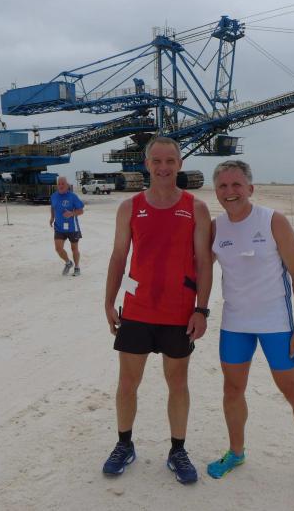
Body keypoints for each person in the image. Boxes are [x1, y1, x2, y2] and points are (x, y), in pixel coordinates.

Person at [206, 160, 294, 499]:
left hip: (276, 322)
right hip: (235, 323)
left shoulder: (273, 221)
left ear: (250, 188)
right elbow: (197, 267)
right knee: (232, 389)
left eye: (236, 185)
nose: (230, 192)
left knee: (293, 390)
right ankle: (236, 452)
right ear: (216, 192)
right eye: (223, 186)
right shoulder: (216, 228)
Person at [102, 136, 212, 484]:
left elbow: (204, 262)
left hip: (178, 312)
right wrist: (108, 302)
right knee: (127, 382)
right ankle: (124, 444)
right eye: (157, 161)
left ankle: (177, 450)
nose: (163, 167)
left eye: (170, 161)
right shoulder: (129, 207)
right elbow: (119, 256)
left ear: (180, 164)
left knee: (177, 383)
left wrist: (202, 310)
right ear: (146, 164)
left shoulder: (196, 208)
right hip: (137, 310)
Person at [49, 176, 84, 276]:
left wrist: (71, 213)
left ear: (67, 185)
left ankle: (77, 267)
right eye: (59, 184)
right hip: (59, 227)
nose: (61, 186)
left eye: (63, 184)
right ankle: (68, 263)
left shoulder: (73, 196)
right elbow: (53, 207)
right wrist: (52, 217)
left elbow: (81, 211)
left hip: (72, 227)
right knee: (58, 248)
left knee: (74, 249)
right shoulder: (54, 196)